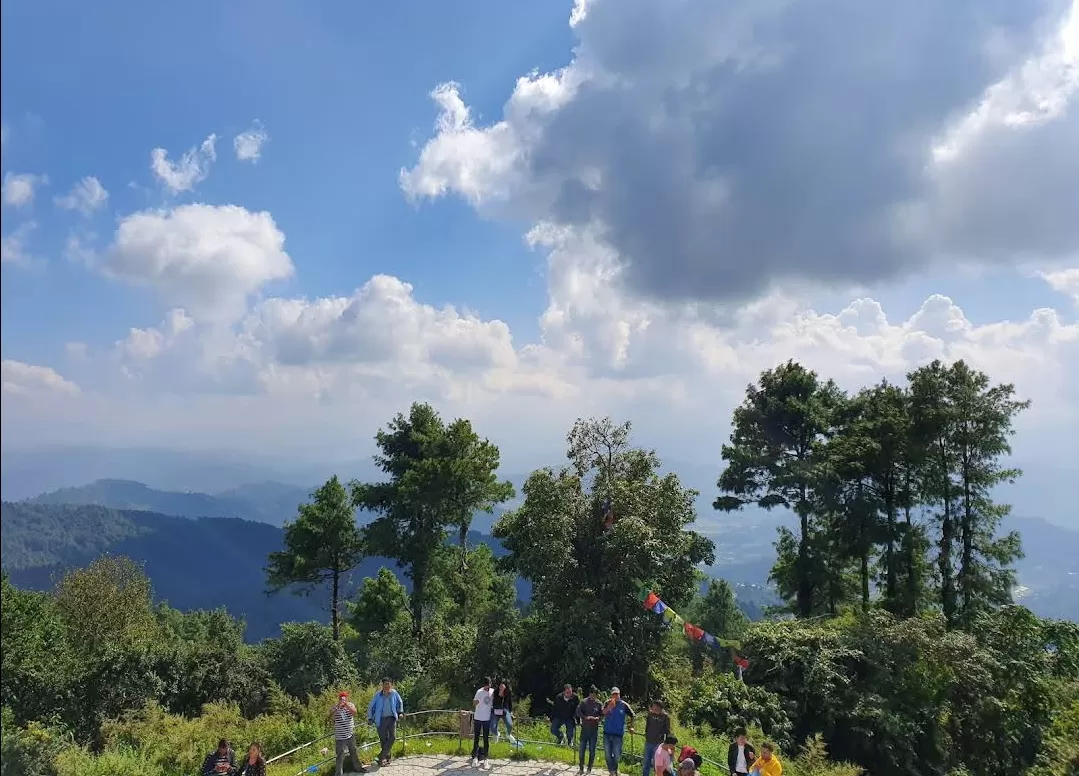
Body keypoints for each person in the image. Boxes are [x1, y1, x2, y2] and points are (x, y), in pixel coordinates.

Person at [367, 677, 404, 767]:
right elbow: (371, 706)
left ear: (391, 685)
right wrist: (370, 718)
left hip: (392, 718)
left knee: (392, 737)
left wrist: (400, 712)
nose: (387, 686)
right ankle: (386, 759)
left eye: (388, 684)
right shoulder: (377, 695)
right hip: (381, 719)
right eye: (385, 684)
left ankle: (380, 757)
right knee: (384, 740)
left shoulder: (394, 693)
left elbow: (400, 702)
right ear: (382, 685)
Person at [330, 691, 367, 776]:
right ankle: (338, 773)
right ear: (339, 699)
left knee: (354, 751)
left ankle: (358, 768)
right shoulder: (335, 707)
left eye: (344, 698)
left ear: (346, 698)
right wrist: (337, 708)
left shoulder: (350, 705)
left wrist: (346, 706)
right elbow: (331, 717)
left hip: (350, 734)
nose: (343, 700)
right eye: (341, 698)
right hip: (340, 737)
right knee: (339, 755)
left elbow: (354, 712)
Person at [601, 687, 635, 776]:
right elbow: (602, 713)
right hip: (607, 733)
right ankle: (612, 772)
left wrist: (630, 726)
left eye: (617, 694)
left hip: (618, 734)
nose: (615, 696)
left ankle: (614, 770)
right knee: (608, 754)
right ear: (611, 695)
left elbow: (632, 715)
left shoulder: (624, 705)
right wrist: (609, 707)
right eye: (613, 694)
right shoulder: (607, 703)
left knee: (617, 755)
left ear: (619, 694)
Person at [576, 686, 604, 775]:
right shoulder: (583, 702)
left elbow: (602, 715)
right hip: (584, 730)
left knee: (592, 751)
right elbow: (578, 711)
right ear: (590, 694)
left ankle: (589, 768)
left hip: (593, 731)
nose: (594, 697)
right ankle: (581, 768)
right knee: (581, 750)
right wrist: (585, 717)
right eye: (593, 695)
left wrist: (597, 718)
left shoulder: (599, 704)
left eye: (596, 695)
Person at [642, 700, 672, 776]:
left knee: (657, 764)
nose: (654, 708)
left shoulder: (665, 716)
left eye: (656, 706)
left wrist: (667, 744)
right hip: (648, 741)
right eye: (653, 706)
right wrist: (646, 733)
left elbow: (667, 731)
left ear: (660, 707)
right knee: (646, 762)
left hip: (658, 743)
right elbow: (647, 725)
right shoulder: (650, 714)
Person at [470, 677, 495, 768]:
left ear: (490, 684)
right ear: (484, 685)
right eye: (486, 686)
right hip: (478, 718)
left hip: (487, 719)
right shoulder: (479, 692)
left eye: (489, 686)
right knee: (476, 738)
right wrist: (477, 702)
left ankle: (486, 759)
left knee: (485, 739)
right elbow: (474, 703)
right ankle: (475, 758)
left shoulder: (492, 692)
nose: (487, 688)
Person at [492, 679, 518, 746]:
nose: (501, 688)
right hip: (496, 710)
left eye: (502, 687)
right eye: (500, 686)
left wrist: (510, 712)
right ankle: (496, 734)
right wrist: (500, 694)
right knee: (492, 726)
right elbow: (495, 702)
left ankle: (508, 734)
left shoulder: (508, 692)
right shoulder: (495, 692)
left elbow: (510, 703)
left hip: (505, 710)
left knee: (510, 725)